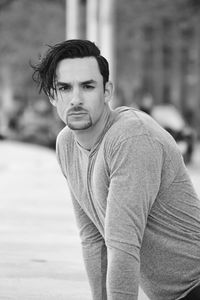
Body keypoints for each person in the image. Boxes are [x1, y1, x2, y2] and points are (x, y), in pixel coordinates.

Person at [32, 39, 200, 300]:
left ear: (107, 91)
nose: (76, 99)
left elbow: (123, 244)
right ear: (53, 96)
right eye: (65, 88)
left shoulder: (132, 136)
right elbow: (93, 239)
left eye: (88, 86)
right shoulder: (66, 143)